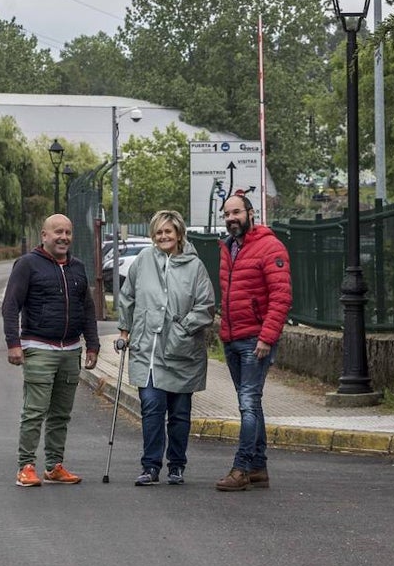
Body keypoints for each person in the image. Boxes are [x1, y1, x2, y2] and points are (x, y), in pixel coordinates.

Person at [116, 210, 215, 486]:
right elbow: (127, 297)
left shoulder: (194, 266)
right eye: (158, 232)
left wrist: (183, 328)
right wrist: (125, 330)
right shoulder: (143, 260)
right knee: (151, 407)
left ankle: (177, 465)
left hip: (183, 351)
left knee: (180, 413)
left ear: (179, 233)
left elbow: (206, 306)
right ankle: (150, 466)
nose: (163, 236)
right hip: (147, 350)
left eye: (168, 232)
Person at [1, 213, 99, 488]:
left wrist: (92, 344)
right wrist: (13, 343)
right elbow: (10, 306)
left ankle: (55, 466)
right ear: (44, 235)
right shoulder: (27, 265)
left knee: (61, 413)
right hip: (39, 348)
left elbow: (88, 309)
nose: (63, 237)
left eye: (67, 232)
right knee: (35, 411)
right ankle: (26, 466)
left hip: (71, 350)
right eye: (57, 232)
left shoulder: (78, 267)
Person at [214, 192, 292, 491]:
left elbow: (281, 297)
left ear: (250, 213)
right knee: (250, 404)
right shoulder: (229, 247)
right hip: (232, 338)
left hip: (255, 340)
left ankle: (242, 468)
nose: (232, 218)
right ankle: (259, 467)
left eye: (237, 212)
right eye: (227, 214)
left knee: (248, 403)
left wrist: (267, 338)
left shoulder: (270, 246)